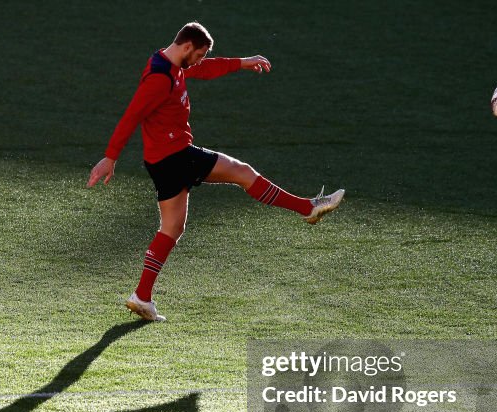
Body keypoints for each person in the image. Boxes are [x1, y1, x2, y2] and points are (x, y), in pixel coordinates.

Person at [87, 22, 344, 322]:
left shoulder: (169, 63)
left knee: (171, 228)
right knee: (243, 172)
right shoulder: (160, 79)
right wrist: (110, 158)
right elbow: (132, 116)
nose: (198, 60)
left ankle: (142, 297)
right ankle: (307, 208)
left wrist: (242, 63)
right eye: (198, 54)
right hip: (177, 155)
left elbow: (203, 70)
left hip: (160, 161)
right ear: (186, 47)